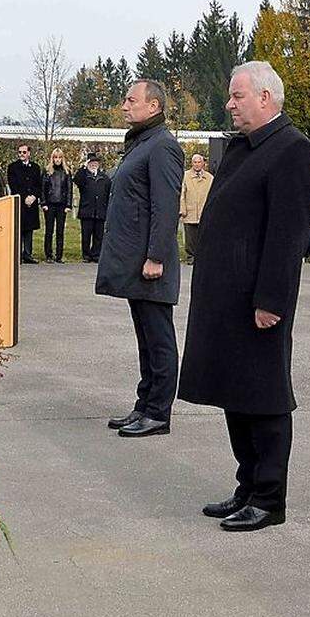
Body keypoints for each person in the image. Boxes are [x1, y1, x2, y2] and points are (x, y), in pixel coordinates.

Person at [179, 60, 310, 532]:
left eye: (238, 96)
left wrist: (271, 300)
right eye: (231, 96)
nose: (229, 104)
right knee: (234, 393)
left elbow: (287, 235)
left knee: (265, 397)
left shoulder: (292, 150)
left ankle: (269, 497)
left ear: (266, 97)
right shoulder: (243, 149)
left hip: (259, 302)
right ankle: (247, 486)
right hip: (226, 298)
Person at [96, 79, 184, 438]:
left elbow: (165, 206)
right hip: (137, 261)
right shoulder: (142, 142)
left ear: (154, 107)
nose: (124, 105)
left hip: (151, 263)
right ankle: (144, 405)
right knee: (145, 338)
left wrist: (156, 256)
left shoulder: (163, 146)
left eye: (131, 100)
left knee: (159, 339)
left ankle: (158, 413)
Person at [8, 144, 44, 264]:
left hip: (32, 202)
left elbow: (39, 185)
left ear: (29, 153)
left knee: (29, 229)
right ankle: (17, 255)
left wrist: (33, 196)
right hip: (20, 201)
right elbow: (13, 185)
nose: (21, 155)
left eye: (24, 152)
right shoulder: (13, 167)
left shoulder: (35, 167)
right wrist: (24, 197)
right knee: (19, 228)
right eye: (19, 152)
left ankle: (27, 254)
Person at [73, 152, 111, 263]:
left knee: (98, 235)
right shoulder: (84, 176)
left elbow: (108, 191)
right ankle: (86, 255)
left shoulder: (104, 177)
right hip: (87, 210)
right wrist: (84, 167)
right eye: (91, 162)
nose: (93, 164)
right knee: (86, 234)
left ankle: (96, 254)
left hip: (100, 210)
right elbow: (76, 180)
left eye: (95, 162)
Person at [40, 147, 73, 263]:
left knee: (60, 231)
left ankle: (59, 256)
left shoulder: (67, 172)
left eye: (59, 157)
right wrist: (43, 203)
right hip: (49, 205)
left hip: (61, 205)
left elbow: (69, 189)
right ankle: (48, 255)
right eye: (55, 157)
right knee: (49, 231)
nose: (57, 160)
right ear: (52, 158)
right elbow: (43, 188)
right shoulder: (47, 171)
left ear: (62, 158)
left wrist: (68, 205)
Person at [179, 153, 213, 264]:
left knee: (203, 235)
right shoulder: (185, 176)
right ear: (191, 163)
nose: (197, 164)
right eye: (195, 162)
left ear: (203, 163)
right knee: (190, 237)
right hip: (190, 211)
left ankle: (202, 256)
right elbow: (181, 194)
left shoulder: (209, 177)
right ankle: (191, 257)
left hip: (204, 211)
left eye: (199, 162)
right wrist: (182, 209)